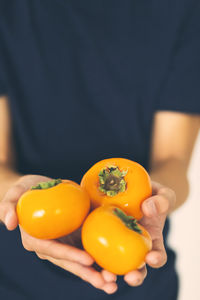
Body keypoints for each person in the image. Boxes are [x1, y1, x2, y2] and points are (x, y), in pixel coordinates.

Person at [0, 1, 200, 299]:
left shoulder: (183, 8)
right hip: (13, 282)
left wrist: (157, 199)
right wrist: (16, 196)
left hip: (141, 284)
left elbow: (173, 162)